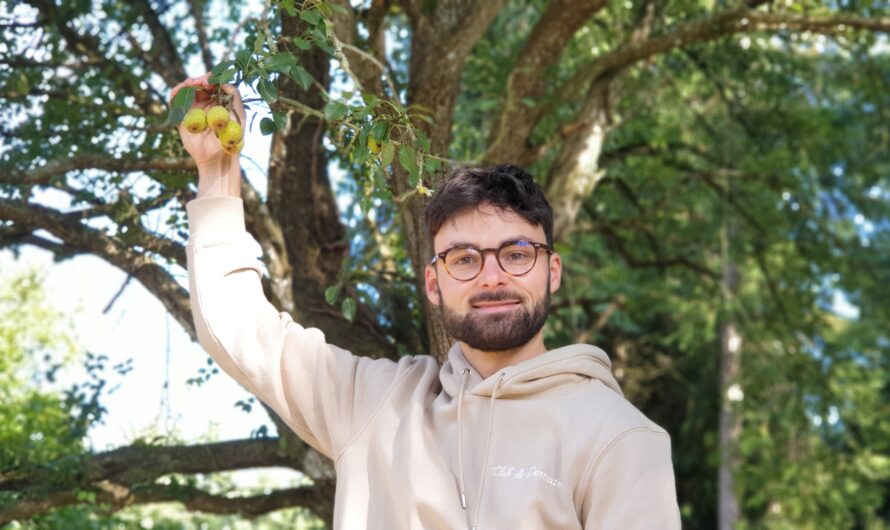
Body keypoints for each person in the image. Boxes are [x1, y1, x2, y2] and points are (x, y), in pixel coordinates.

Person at [173, 75, 681, 529]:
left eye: (516, 254)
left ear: (552, 272)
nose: (491, 276)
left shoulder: (620, 438)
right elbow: (238, 328)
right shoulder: (375, 406)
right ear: (433, 283)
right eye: (463, 259)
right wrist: (218, 169)